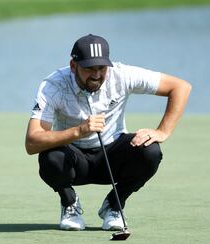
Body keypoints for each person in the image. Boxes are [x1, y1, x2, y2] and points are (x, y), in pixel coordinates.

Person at [25, 34, 191, 231]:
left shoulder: (122, 75)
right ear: (73, 66)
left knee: (150, 151)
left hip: (112, 156)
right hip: (73, 161)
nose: (96, 75)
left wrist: (163, 131)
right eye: (89, 69)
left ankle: (114, 205)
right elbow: (32, 142)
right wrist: (79, 131)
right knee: (50, 157)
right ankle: (69, 203)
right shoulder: (53, 85)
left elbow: (180, 87)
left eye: (101, 68)